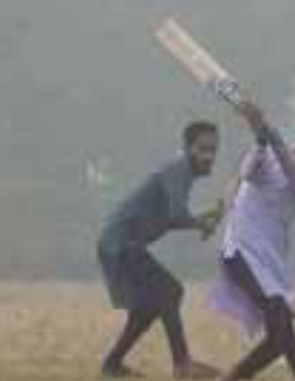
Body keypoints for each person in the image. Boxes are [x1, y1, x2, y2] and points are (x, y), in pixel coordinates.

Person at [206, 98, 295, 381]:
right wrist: (260, 139)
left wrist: (267, 131)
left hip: (269, 261)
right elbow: (246, 173)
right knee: (281, 320)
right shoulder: (269, 155)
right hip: (240, 251)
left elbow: (292, 170)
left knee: (279, 333)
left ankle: (235, 376)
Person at [97, 120, 226, 379]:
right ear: (187, 148)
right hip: (120, 243)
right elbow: (177, 214)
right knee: (170, 291)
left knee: (147, 308)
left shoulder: (183, 173)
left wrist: (204, 217)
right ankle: (182, 365)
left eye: (213, 150)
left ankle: (112, 365)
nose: (209, 156)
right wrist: (200, 222)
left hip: (122, 244)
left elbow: (168, 219)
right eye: (202, 149)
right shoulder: (179, 169)